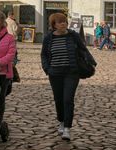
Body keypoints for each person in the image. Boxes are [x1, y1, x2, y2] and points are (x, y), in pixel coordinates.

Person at [40, 12, 95, 141]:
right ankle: (61, 121)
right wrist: (47, 68)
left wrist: (90, 62)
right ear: (54, 25)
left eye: (65, 21)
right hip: (55, 73)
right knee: (58, 99)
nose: (63, 24)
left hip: (71, 72)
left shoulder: (73, 36)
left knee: (68, 99)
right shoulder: (48, 38)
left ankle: (67, 128)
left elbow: (83, 49)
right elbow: (44, 54)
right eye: (60, 22)